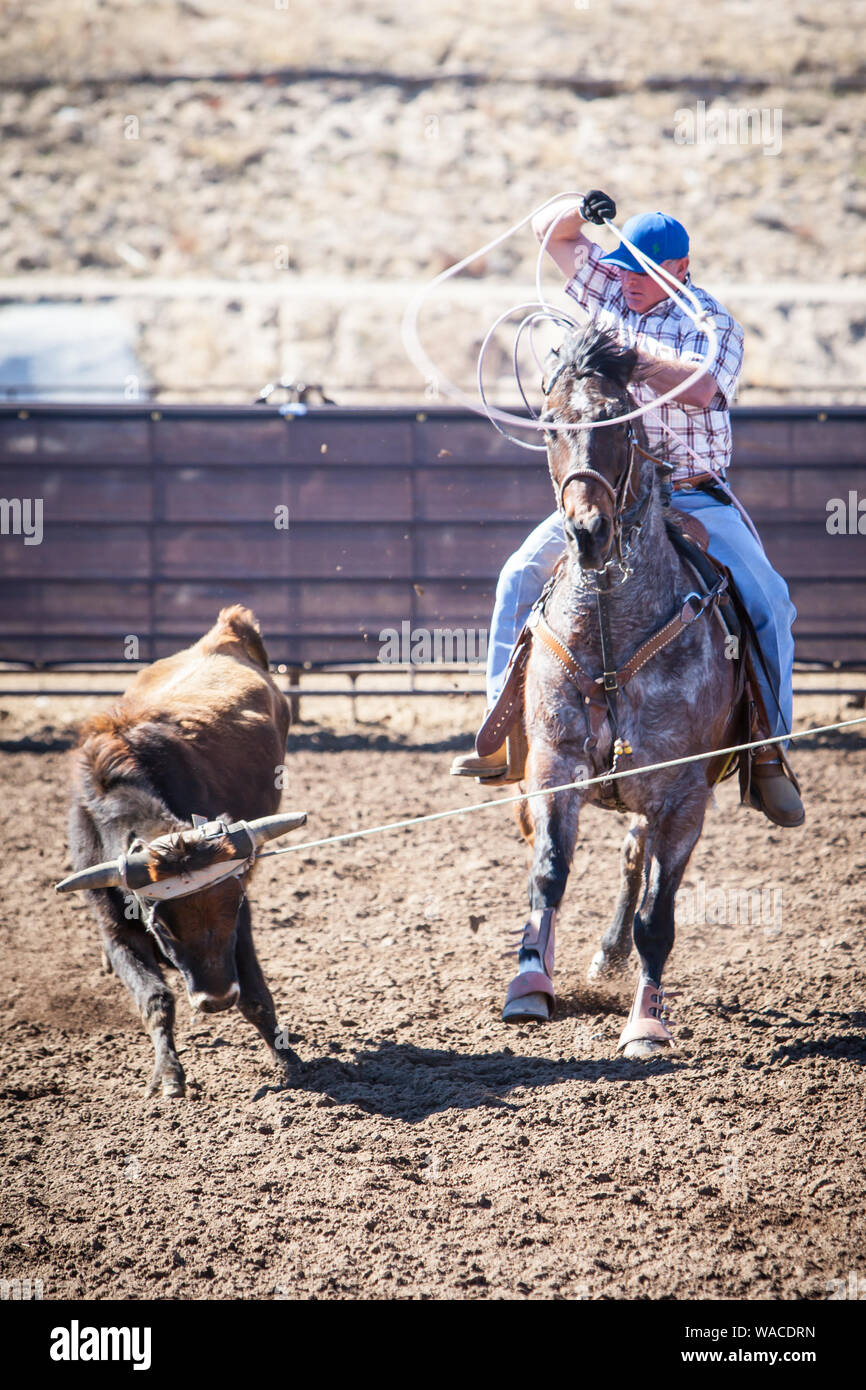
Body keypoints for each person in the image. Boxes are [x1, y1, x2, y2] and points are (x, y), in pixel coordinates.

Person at [451, 189, 804, 827]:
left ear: (679, 270)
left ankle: (768, 753)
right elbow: (549, 235)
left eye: (642, 273)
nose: (628, 282)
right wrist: (578, 208)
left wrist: (631, 356)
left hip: (692, 493)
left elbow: (703, 387)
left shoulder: (712, 324)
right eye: (623, 268)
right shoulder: (610, 289)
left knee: (770, 601)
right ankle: (503, 735)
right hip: (612, 490)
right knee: (517, 578)